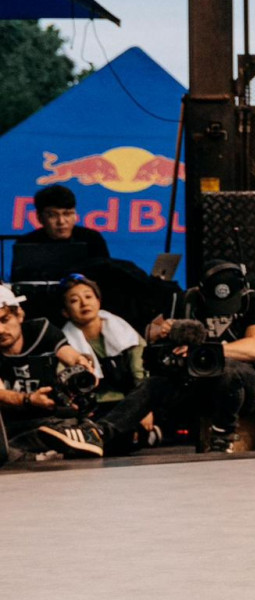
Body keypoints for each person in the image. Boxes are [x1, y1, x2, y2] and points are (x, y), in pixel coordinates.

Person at [139, 261, 255, 453]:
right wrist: (164, 330)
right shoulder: (186, 300)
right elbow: (148, 331)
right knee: (153, 384)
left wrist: (205, 349)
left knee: (226, 368)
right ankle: (102, 431)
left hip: (248, 386)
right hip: (197, 385)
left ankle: (222, 437)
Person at [0, 283, 109, 462]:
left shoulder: (40, 330)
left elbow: (68, 353)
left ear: (19, 314)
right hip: (13, 424)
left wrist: (82, 366)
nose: (0, 330)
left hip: (54, 416)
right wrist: (29, 399)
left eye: (4, 320)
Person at [59, 276, 145, 414]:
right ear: (65, 312)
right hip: (90, 410)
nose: (84, 303)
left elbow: (141, 374)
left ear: (98, 301)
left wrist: (142, 408)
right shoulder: (62, 343)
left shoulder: (126, 332)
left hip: (130, 403)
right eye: (74, 300)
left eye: (88, 296)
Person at [18, 185, 111, 260]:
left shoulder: (92, 239)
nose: (61, 222)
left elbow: (104, 277)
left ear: (75, 215)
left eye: (67, 214)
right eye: (53, 215)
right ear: (39, 218)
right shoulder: (27, 243)